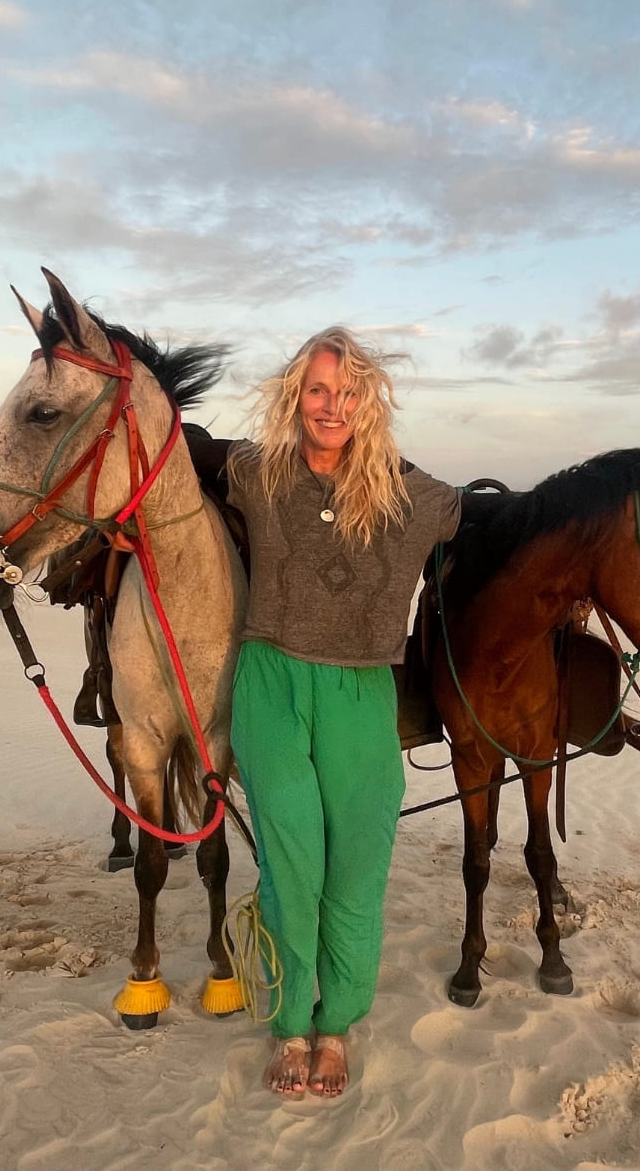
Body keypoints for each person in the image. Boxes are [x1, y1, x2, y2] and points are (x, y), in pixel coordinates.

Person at [188, 328, 485, 1100]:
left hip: (362, 691)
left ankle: (336, 1022)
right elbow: (171, 456)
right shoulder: (254, 471)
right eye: (318, 389)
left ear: (367, 402)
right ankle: (290, 1022)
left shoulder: (408, 491)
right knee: (294, 865)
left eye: (348, 391)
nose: (332, 405)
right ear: (296, 394)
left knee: (355, 867)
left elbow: (479, 516)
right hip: (272, 681)